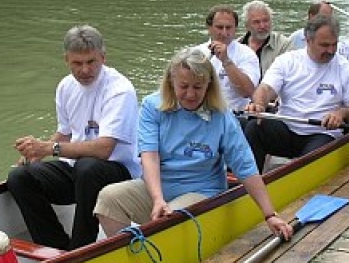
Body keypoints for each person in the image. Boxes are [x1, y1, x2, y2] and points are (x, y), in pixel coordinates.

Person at [93, 46, 293, 241]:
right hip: (158, 188)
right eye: (183, 86)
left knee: (171, 216)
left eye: (198, 87)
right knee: (108, 198)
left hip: (201, 191)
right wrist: (157, 199)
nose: (190, 94)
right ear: (172, 82)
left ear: (209, 85)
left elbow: (245, 166)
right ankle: (131, 255)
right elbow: (150, 156)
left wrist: (269, 214)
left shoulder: (222, 116)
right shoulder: (152, 106)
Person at [6, 25, 141, 250]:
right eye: (77, 63)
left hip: (119, 172)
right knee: (20, 177)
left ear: (103, 58)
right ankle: (53, 246)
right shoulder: (65, 87)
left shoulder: (119, 89)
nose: (85, 70)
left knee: (88, 168)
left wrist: (50, 149)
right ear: (66, 60)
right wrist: (36, 152)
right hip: (79, 170)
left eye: (91, 62)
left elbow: (104, 149)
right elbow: (65, 133)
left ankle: (81, 248)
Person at [243, 15, 349, 173]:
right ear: (308, 41)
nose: (330, 50)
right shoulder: (287, 61)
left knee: (314, 157)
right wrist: (259, 105)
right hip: (286, 128)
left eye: (334, 45)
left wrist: (343, 113)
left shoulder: (344, 68)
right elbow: (266, 89)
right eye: (324, 45)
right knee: (254, 128)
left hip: (321, 132)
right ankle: (249, 181)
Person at [194, 5, 260, 112]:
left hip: (234, 114)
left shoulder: (247, 54)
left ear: (235, 29)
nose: (224, 33)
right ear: (209, 28)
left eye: (229, 28)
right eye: (219, 27)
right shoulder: (195, 53)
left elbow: (247, 92)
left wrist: (226, 61)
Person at [238, 0, 293, 78]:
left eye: (266, 20)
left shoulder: (284, 45)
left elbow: (289, 75)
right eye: (257, 22)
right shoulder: (238, 45)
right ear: (247, 26)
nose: (262, 26)